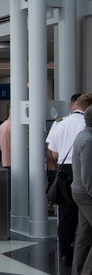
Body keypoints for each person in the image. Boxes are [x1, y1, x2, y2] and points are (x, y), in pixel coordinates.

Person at [47, 93, 91, 267]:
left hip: (64, 170)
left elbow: (54, 152)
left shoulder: (60, 122)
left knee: (66, 216)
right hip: (84, 169)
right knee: (85, 216)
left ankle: (66, 254)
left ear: (74, 105)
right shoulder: (87, 125)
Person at [71, 105, 92, 275]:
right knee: (84, 236)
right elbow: (88, 176)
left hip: (80, 191)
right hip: (87, 193)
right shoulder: (88, 140)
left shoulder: (83, 135)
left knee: (84, 235)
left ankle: (77, 271)